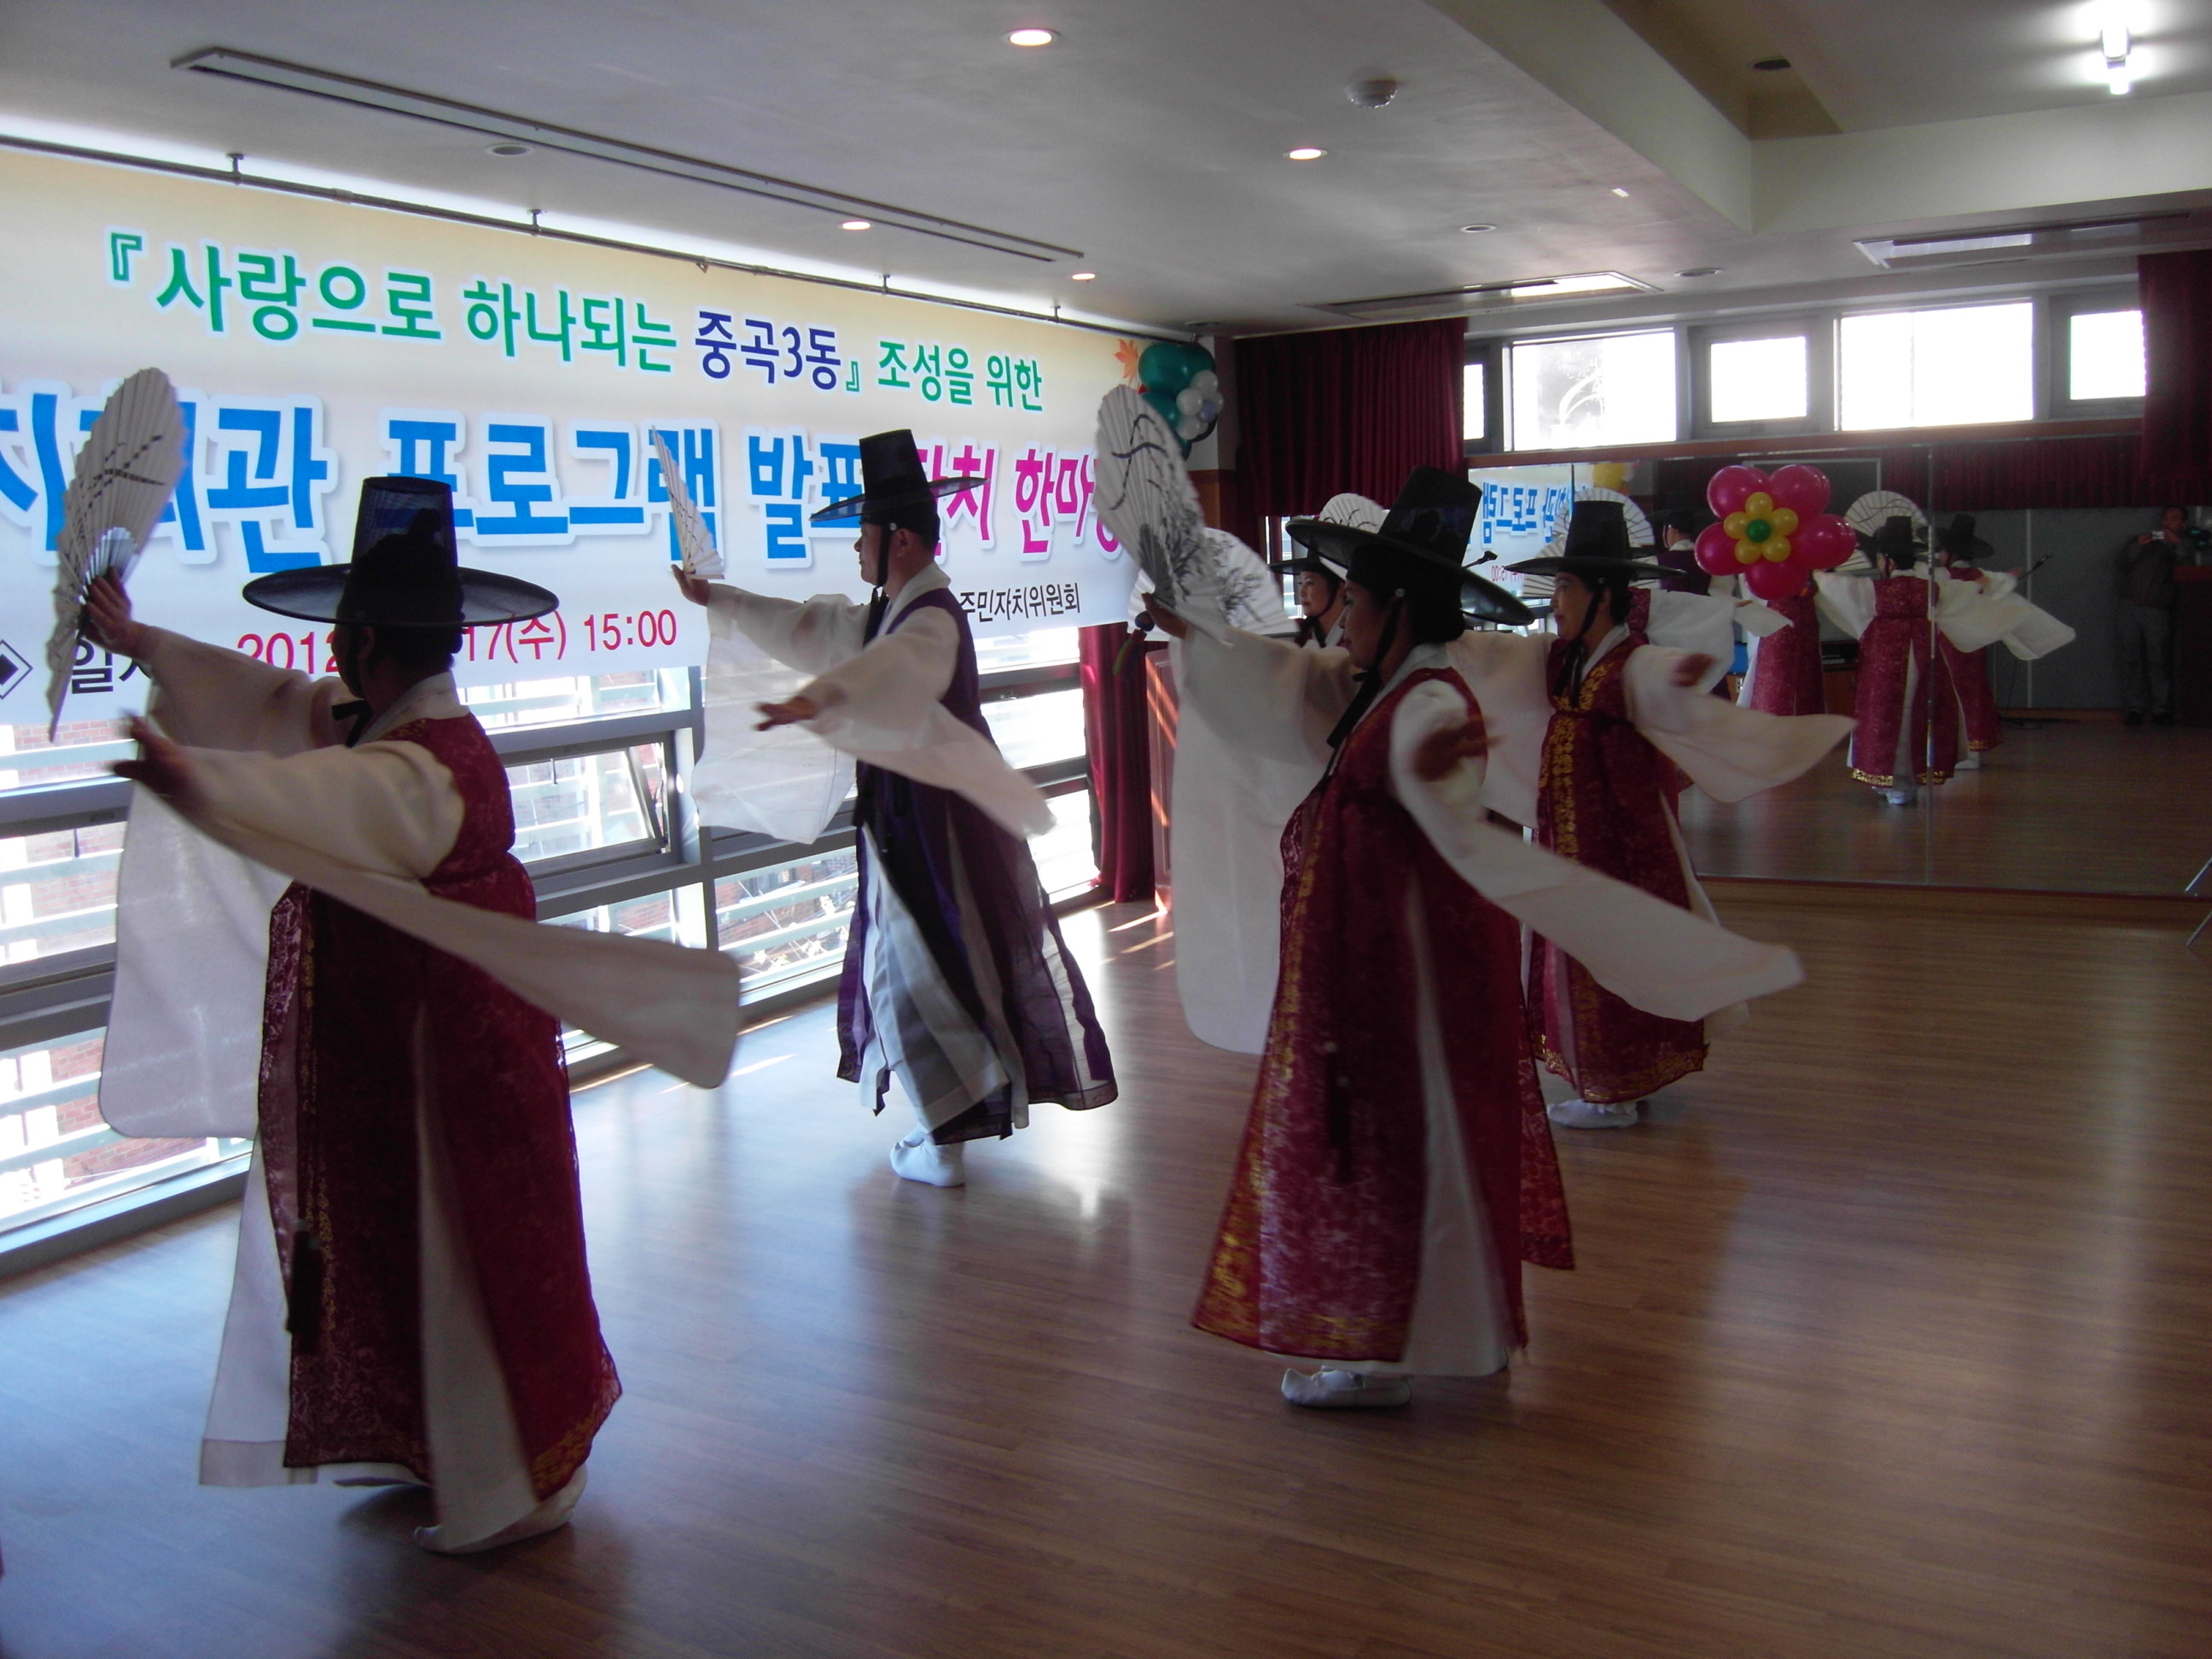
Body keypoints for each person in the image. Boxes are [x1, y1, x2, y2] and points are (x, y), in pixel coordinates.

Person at [88, 477, 739, 1553]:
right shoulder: (389, 730)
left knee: (465, 1262)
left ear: (369, 643)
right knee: (414, 1256)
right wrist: (142, 642)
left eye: (344, 633)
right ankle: (435, 1448)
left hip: (452, 1063)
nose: (330, 652)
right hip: (417, 1049)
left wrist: (197, 780)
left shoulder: (420, 770)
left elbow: (315, 795)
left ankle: (513, 1488)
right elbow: (272, 701)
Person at [1157, 469, 1807, 1408]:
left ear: (1398, 608)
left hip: (1399, 970)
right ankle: (1455, 1333)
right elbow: (1297, 683)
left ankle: (1380, 1353)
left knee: (1384, 1146)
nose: (1342, 621)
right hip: (1388, 960)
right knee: (1423, 1146)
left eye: (1356, 604)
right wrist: (1201, 635)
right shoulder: (1391, 684)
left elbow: (1452, 837)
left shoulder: (1426, 703)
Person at [673, 430, 1115, 1187]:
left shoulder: (929, 618)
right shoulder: (892, 609)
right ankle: (946, 1124)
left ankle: (944, 1136)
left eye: (864, 534)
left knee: (920, 969)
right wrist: (721, 597)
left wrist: (826, 696)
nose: (856, 547)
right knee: (928, 967)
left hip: (937, 825)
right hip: (914, 816)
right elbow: (815, 628)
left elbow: (895, 667)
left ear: (900, 540)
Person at [1507, 502, 1852, 1129]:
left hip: (1619, 841)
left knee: (1614, 951)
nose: (1555, 602)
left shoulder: (1632, 662)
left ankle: (1612, 1088)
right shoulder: (1568, 659)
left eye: (1565, 587)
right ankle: (1607, 1077)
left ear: (1603, 593)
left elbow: (1673, 682)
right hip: (1571, 836)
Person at [2116, 506, 2188, 726]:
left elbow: (2186, 564)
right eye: (2165, 519)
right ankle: (2134, 709)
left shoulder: (2179, 545)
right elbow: (2121, 564)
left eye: (2174, 519)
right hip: (2129, 606)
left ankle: (2161, 709)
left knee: (2158, 659)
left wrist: (2176, 543)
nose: (2167, 523)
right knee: (2131, 658)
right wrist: (2138, 546)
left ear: (2182, 524)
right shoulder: (2142, 540)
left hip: (2158, 609)